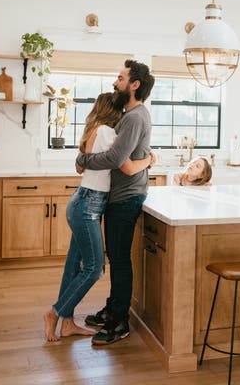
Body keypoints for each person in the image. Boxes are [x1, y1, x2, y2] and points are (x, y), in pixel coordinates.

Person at [43, 92, 154, 342]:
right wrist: (149, 159)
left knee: (74, 265)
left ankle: (67, 322)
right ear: (115, 112)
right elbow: (126, 166)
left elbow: (80, 165)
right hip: (89, 206)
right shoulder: (107, 132)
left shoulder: (95, 129)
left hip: (84, 201)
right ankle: (55, 313)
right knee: (94, 269)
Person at [75, 60, 155, 346]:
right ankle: (113, 307)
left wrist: (83, 160)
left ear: (135, 85)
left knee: (119, 260)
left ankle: (119, 322)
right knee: (116, 258)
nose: (115, 82)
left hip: (126, 198)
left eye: (120, 78)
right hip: (119, 196)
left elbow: (115, 159)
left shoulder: (134, 118)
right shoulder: (128, 115)